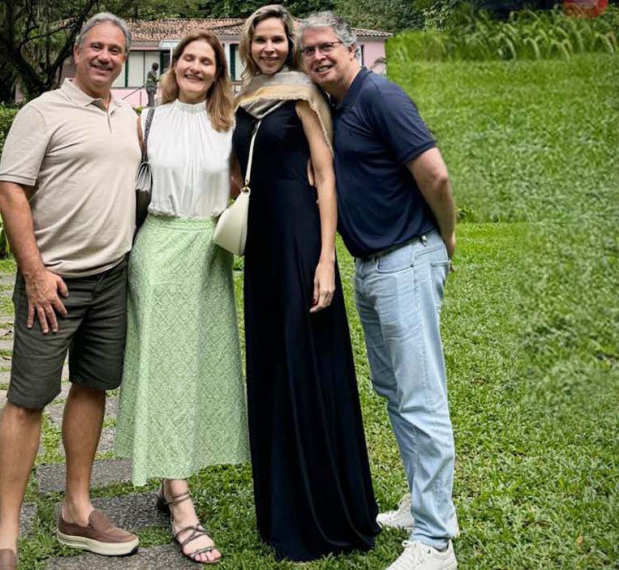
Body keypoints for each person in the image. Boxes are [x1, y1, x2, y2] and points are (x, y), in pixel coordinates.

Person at [301, 11, 460, 570]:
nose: (318, 57)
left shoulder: (380, 97)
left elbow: (435, 175)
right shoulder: (337, 109)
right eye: (309, 52)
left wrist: (447, 234)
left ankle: (437, 542)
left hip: (406, 260)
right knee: (394, 392)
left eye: (326, 47)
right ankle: (424, 506)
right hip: (371, 268)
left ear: (351, 49)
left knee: (420, 398)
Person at [0, 13, 140, 570]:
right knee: (27, 399)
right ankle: (6, 537)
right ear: (77, 53)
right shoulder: (42, 111)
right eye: (96, 47)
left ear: (124, 58)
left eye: (115, 50)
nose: (105, 56)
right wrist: (33, 271)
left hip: (112, 276)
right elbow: (10, 191)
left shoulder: (127, 116)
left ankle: (77, 508)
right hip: (52, 282)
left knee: (93, 387)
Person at [232, 5, 380, 563]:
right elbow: (239, 171)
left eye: (278, 40)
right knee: (272, 368)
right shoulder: (243, 97)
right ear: (248, 45)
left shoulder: (302, 94)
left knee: (305, 365)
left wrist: (325, 260)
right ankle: (281, 510)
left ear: (288, 45)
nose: (270, 48)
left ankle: (325, 511)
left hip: (299, 241)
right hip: (262, 249)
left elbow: (326, 175)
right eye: (260, 40)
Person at [115, 30, 249, 565]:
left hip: (209, 251)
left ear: (218, 70)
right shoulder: (145, 119)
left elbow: (243, 183)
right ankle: (182, 505)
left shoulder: (232, 122)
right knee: (165, 370)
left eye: (207, 61)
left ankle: (170, 478)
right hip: (160, 246)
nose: (196, 67)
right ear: (175, 65)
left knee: (199, 369)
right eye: (188, 59)